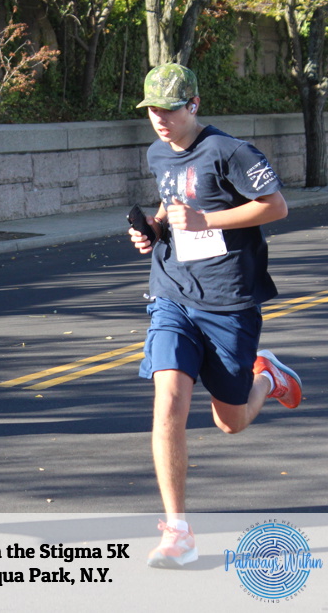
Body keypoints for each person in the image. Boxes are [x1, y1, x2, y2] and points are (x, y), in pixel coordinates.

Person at [128, 63, 303, 568]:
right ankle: (177, 532)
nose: (161, 119)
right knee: (168, 401)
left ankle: (268, 377)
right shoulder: (157, 152)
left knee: (231, 422)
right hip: (172, 293)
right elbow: (172, 203)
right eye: (153, 110)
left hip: (228, 300)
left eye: (170, 109)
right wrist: (154, 229)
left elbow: (276, 206)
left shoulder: (231, 151)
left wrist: (207, 219)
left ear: (194, 105)